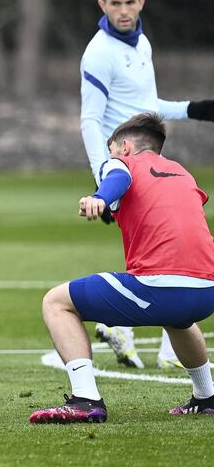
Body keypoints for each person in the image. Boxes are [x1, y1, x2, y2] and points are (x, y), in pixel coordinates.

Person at [30, 113, 214, 423]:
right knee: (178, 317)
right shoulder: (182, 172)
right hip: (207, 290)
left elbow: (119, 177)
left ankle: (86, 400)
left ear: (125, 146)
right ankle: (207, 396)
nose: (110, 155)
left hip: (160, 287)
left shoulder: (121, 163)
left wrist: (100, 197)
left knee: (56, 302)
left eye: (112, 148)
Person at [80, 0, 214, 370]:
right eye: (115, 3)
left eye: (130, 3)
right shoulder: (98, 53)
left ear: (142, 2)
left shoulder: (142, 45)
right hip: (120, 165)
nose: (123, 10)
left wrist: (194, 109)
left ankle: (123, 327)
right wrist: (103, 175)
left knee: (153, 242)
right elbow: (89, 119)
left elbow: (148, 107)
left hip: (143, 159)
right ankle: (158, 343)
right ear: (103, 4)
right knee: (156, 245)